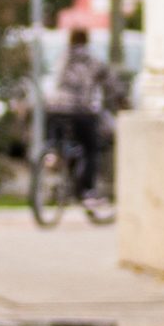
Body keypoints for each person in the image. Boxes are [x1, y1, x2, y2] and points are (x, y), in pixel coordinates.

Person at [40, 27, 118, 198]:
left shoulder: (61, 57)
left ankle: (54, 154)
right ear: (86, 41)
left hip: (55, 108)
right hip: (80, 110)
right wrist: (115, 100)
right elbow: (110, 85)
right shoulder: (92, 61)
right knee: (91, 149)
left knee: (56, 140)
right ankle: (87, 190)